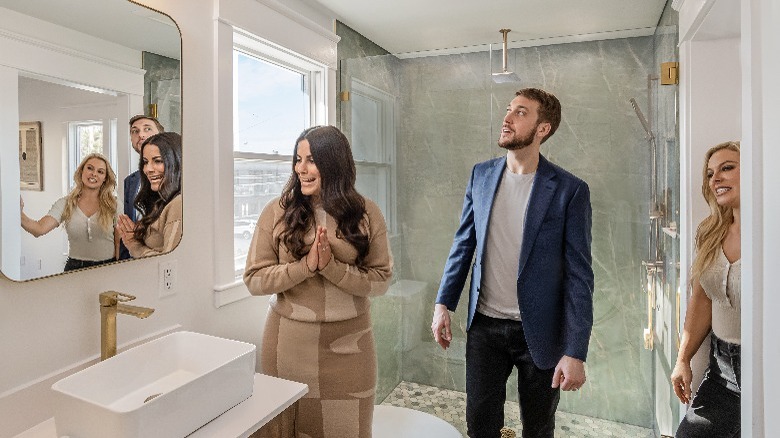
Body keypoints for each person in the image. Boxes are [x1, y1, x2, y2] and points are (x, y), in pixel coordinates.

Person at [431, 88, 594, 438]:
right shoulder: (481, 175)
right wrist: (444, 302)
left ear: (542, 129)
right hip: (484, 328)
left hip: (540, 331)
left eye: (520, 112)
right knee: (480, 424)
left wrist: (575, 351)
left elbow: (580, 276)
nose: (506, 118)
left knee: (538, 427)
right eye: (508, 110)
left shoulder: (569, 190)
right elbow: (463, 244)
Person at [243, 125, 393, 438]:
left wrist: (332, 268)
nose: (301, 169)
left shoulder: (367, 214)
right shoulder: (276, 212)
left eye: (311, 160)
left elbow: (380, 281)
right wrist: (305, 267)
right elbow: (254, 279)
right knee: (286, 431)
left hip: (350, 347)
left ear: (334, 163)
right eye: (298, 160)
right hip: (287, 346)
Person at [671, 141, 741, 438]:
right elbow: (701, 300)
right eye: (710, 173)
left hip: (767, 372)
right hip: (722, 372)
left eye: (727, 168)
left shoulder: (771, 231)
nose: (716, 179)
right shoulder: (709, 231)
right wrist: (683, 359)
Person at [21, 153, 118, 271]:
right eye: (90, 168)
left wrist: (117, 270)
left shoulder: (115, 205)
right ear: (81, 171)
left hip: (108, 268)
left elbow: (120, 243)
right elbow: (39, 229)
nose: (94, 174)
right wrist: (18, 212)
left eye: (100, 172)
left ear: (105, 179)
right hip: (74, 269)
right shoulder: (65, 203)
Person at [116, 132, 182, 258]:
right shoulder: (162, 202)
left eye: (157, 161)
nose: (148, 169)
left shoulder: (178, 204)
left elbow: (170, 264)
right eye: (145, 162)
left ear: (177, 163)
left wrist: (134, 245)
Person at [118, 114, 164, 260]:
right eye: (135, 131)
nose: (141, 134)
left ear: (161, 135)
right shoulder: (129, 182)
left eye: (147, 129)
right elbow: (126, 230)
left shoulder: (174, 178)